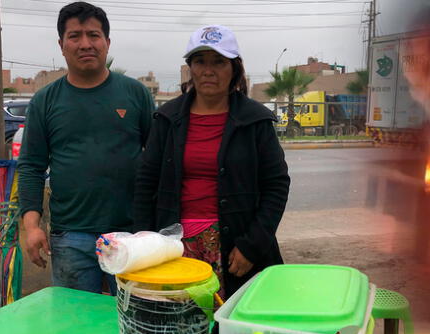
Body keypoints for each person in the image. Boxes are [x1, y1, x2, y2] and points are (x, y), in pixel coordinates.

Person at [133, 25, 290, 299]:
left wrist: (252, 246)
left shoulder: (256, 121)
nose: (209, 70)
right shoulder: (167, 119)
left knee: (234, 332)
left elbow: (276, 186)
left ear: (235, 69)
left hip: (236, 248)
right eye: (200, 61)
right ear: (190, 68)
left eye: (219, 62)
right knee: (183, 330)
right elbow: (146, 184)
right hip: (175, 247)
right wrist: (145, 244)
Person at [17, 1, 154, 295]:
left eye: (93, 35)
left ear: (107, 42)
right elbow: (31, 166)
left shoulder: (135, 94)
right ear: (62, 45)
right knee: (75, 325)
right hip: (71, 235)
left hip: (131, 235)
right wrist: (32, 227)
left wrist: (153, 228)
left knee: (132, 323)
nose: (85, 44)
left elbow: (157, 160)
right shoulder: (45, 101)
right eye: (74, 36)